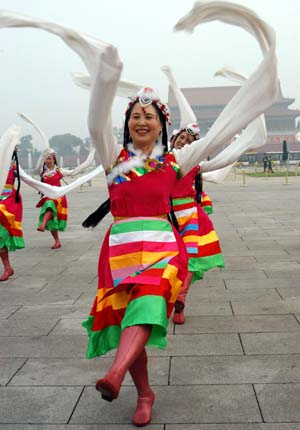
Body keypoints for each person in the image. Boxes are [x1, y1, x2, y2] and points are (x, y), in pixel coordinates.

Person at [170, 124, 224, 324]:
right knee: (171, 260)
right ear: (173, 139)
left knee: (190, 260)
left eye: (189, 141)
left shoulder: (195, 166)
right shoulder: (161, 162)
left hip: (189, 215)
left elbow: (221, 163)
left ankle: (180, 299)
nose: (184, 142)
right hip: (166, 216)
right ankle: (177, 299)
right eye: (181, 138)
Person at [0, 149, 25, 281]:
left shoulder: (14, 167)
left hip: (9, 201)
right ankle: (8, 268)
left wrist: (51, 191)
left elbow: (30, 180)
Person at [36, 152, 67, 249]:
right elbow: (38, 165)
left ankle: (43, 225)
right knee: (51, 218)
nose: (48, 161)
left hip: (59, 196)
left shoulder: (59, 171)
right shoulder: (42, 171)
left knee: (49, 205)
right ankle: (57, 241)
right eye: (46, 159)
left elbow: (75, 172)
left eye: (50, 158)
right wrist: (45, 152)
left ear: (54, 160)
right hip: (48, 195)